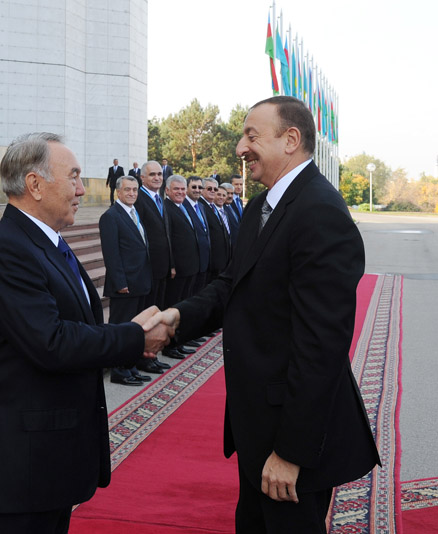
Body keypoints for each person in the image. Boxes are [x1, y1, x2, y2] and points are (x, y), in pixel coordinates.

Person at [146, 96, 380, 533]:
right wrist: (176, 317)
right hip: (258, 426)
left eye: (251, 136)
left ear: (290, 139)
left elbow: (321, 345)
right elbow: (229, 286)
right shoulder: (261, 207)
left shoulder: (320, 212)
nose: (240, 147)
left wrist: (291, 453)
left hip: (290, 438)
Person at [0, 133, 171, 534]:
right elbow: (51, 342)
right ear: (35, 185)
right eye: (74, 177)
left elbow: (81, 328)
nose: (81, 189)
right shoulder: (7, 249)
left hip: (49, 462)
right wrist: (133, 337)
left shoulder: (46, 242)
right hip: (20, 469)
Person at [99, 176, 152, 386]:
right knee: (121, 329)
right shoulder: (111, 216)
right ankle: (119, 371)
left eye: (135, 189)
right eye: (127, 190)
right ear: (118, 192)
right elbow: (111, 254)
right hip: (124, 285)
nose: (132, 193)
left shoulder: (134, 212)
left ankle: (130, 366)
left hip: (140, 281)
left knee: (135, 328)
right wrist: (120, 282)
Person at [134, 160, 174, 375]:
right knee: (146, 315)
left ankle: (153, 356)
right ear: (142, 178)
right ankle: (143, 358)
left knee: (158, 311)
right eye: (152, 175)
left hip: (163, 267)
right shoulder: (139, 199)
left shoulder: (161, 199)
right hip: (147, 268)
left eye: (159, 174)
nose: (157, 178)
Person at [162, 175, 199, 360]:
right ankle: (170, 345)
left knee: (184, 306)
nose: (181, 192)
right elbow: (169, 240)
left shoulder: (183, 207)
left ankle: (180, 341)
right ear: (167, 190)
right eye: (176, 189)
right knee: (174, 307)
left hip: (190, 267)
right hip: (178, 269)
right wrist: (172, 265)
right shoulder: (166, 208)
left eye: (183, 189)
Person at [199, 177, 231, 282]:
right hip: (209, 262)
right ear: (202, 190)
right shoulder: (199, 206)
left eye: (215, 189)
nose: (213, 191)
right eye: (209, 188)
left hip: (220, 260)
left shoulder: (213, 207)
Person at [183, 176, 210, 294]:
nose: (197, 190)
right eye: (194, 187)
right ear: (187, 188)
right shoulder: (182, 206)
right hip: (189, 264)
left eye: (200, 187)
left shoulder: (201, 207)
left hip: (203, 262)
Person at [220, 182, 240, 248]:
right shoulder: (221, 209)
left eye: (232, 193)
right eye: (227, 193)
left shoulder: (232, 205)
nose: (230, 196)